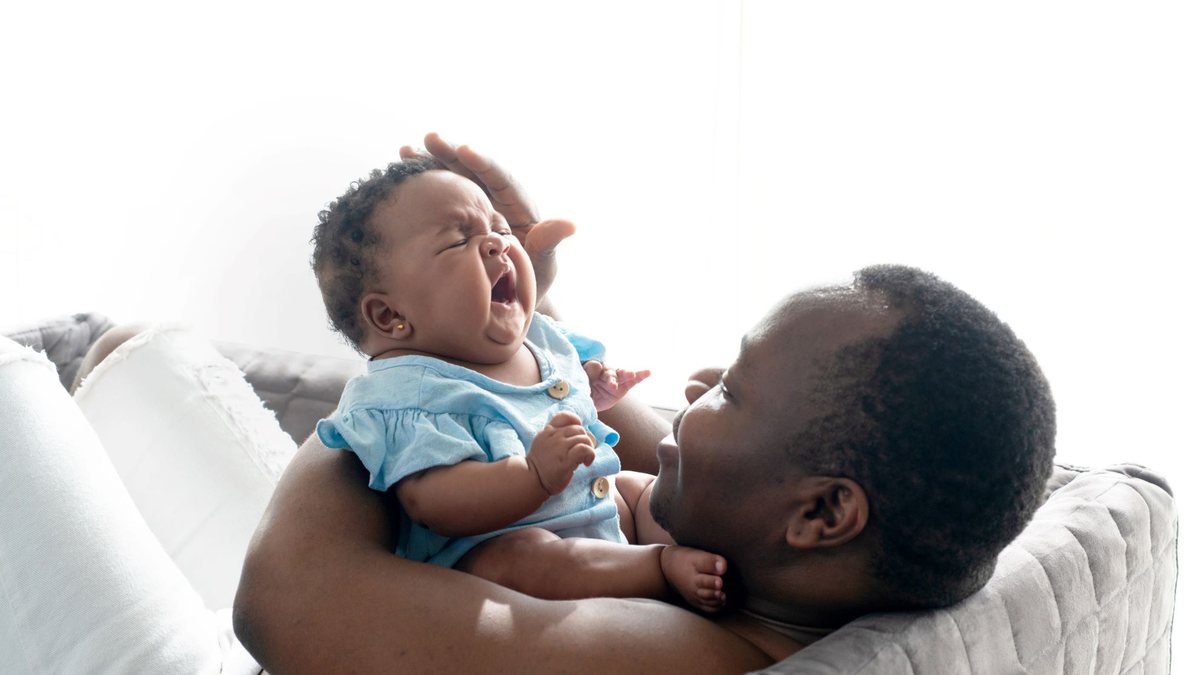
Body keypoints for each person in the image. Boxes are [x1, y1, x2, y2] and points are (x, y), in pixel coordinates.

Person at [231, 134, 1057, 672]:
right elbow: (601, 441)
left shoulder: (654, 654)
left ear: (823, 512)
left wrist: (396, 378)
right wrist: (518, 322)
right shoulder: (765, 565)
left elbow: (281, 601)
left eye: (731, 388)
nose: (695, 384)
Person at [309, 156, 726, 610]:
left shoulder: (538, 338)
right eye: (458, 240)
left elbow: (554, 399)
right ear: (390, 315)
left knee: (644, 489)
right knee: (517, 559)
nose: (497, 244)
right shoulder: (408, 395)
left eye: (500, 228)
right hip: (519, 549)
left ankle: (727, 556)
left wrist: (592, 387)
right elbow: (435, 503)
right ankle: (658, 568)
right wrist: (533, 475)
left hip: (601, 505)